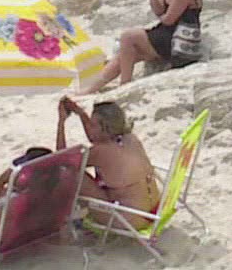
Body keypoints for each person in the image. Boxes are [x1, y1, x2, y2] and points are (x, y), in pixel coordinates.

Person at [55, 98, 162, 228]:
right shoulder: (130, 139)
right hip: (154, 212)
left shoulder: (101, 151)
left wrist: (61, 122)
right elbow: (95, 137)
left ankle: (65, 216)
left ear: (105, 128)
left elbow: (61, 159)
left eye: (93, 125)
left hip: (129, 221)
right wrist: (80, 113)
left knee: (71, 174)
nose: (91, 128)